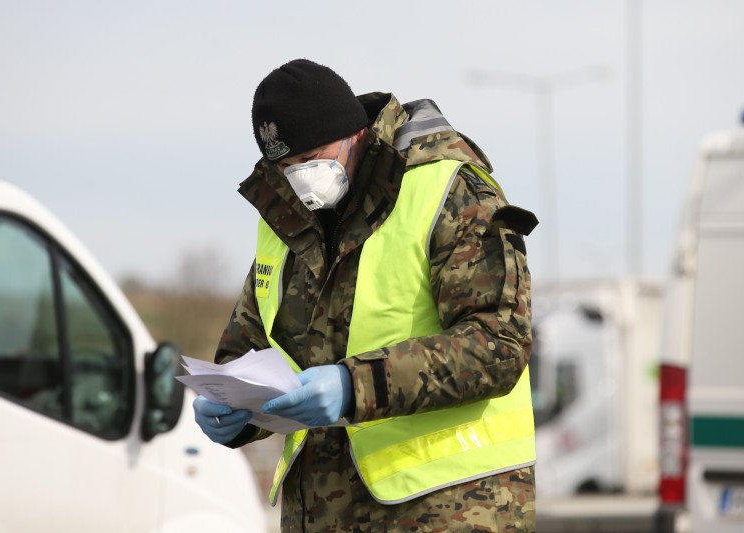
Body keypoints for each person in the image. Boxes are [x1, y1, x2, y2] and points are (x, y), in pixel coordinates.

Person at [193, 58, 538, 532]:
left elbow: (499, 344)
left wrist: (353, 387)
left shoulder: (448, 191)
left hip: (451, 511)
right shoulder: (284, 219)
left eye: (315, 157)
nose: (302, 177)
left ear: (357, 135)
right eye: (289, 167)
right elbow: (249, 347)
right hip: (324, 514)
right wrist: (233, 407)